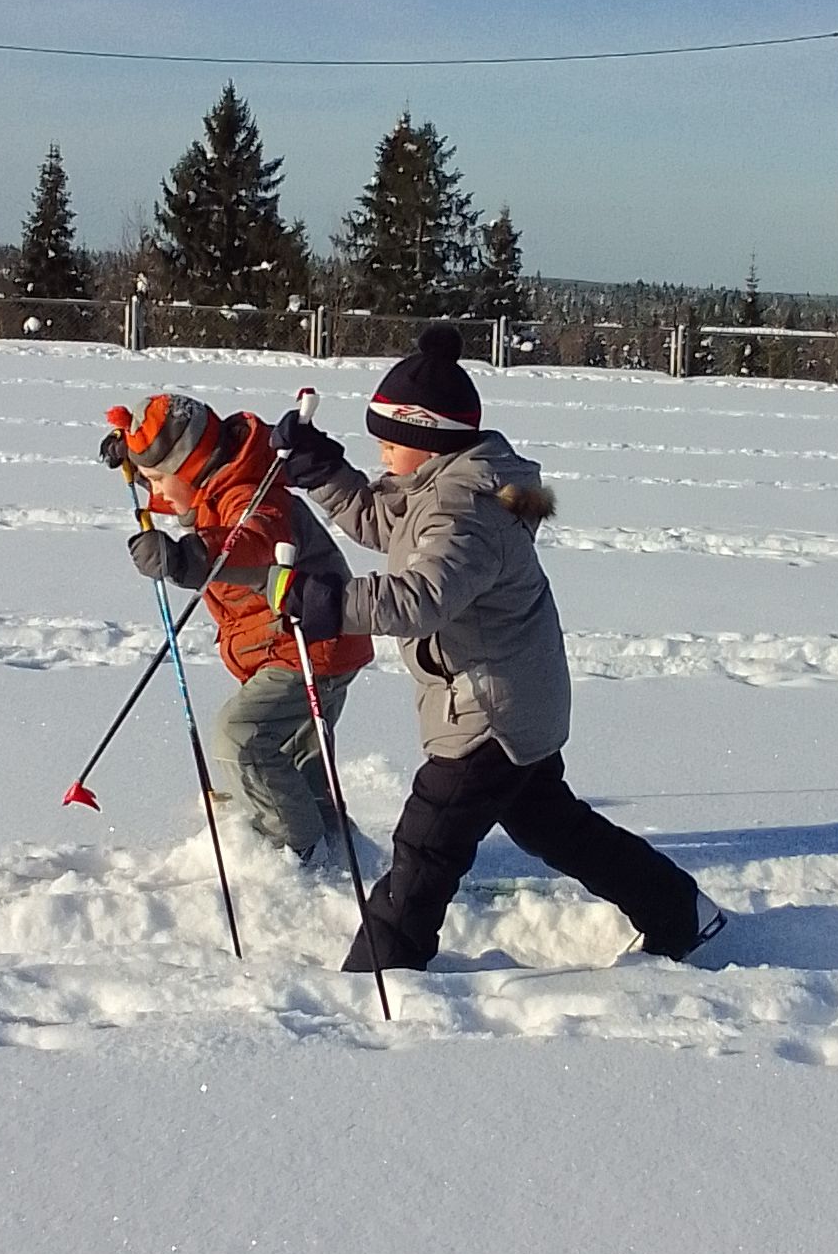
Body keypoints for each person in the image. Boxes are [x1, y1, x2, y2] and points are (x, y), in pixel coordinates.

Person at [267, 325, 733, 972]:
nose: (380, 451)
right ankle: (680, 911)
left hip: (489, 707)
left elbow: (421, 594)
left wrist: (329, 604)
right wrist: (323, 472)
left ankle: (379, 973)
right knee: (553, 825)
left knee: (425, 847)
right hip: (515, 696)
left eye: (389, 440)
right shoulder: (453, 485)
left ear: (429, 440)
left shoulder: (467, 512)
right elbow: (386, 522)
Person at [108, 392, 373, 863]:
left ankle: (294, 849)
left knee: (241, 734)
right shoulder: (218, 485)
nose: (160, 495)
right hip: (294, 646)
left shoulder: (249, 494)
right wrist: (131, 456)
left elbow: (252, 544)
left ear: (191, 467)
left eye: (159, 479)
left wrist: (186, 557)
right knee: (298, 759)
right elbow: (189, 503)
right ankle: (336, 843)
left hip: (308, 647)